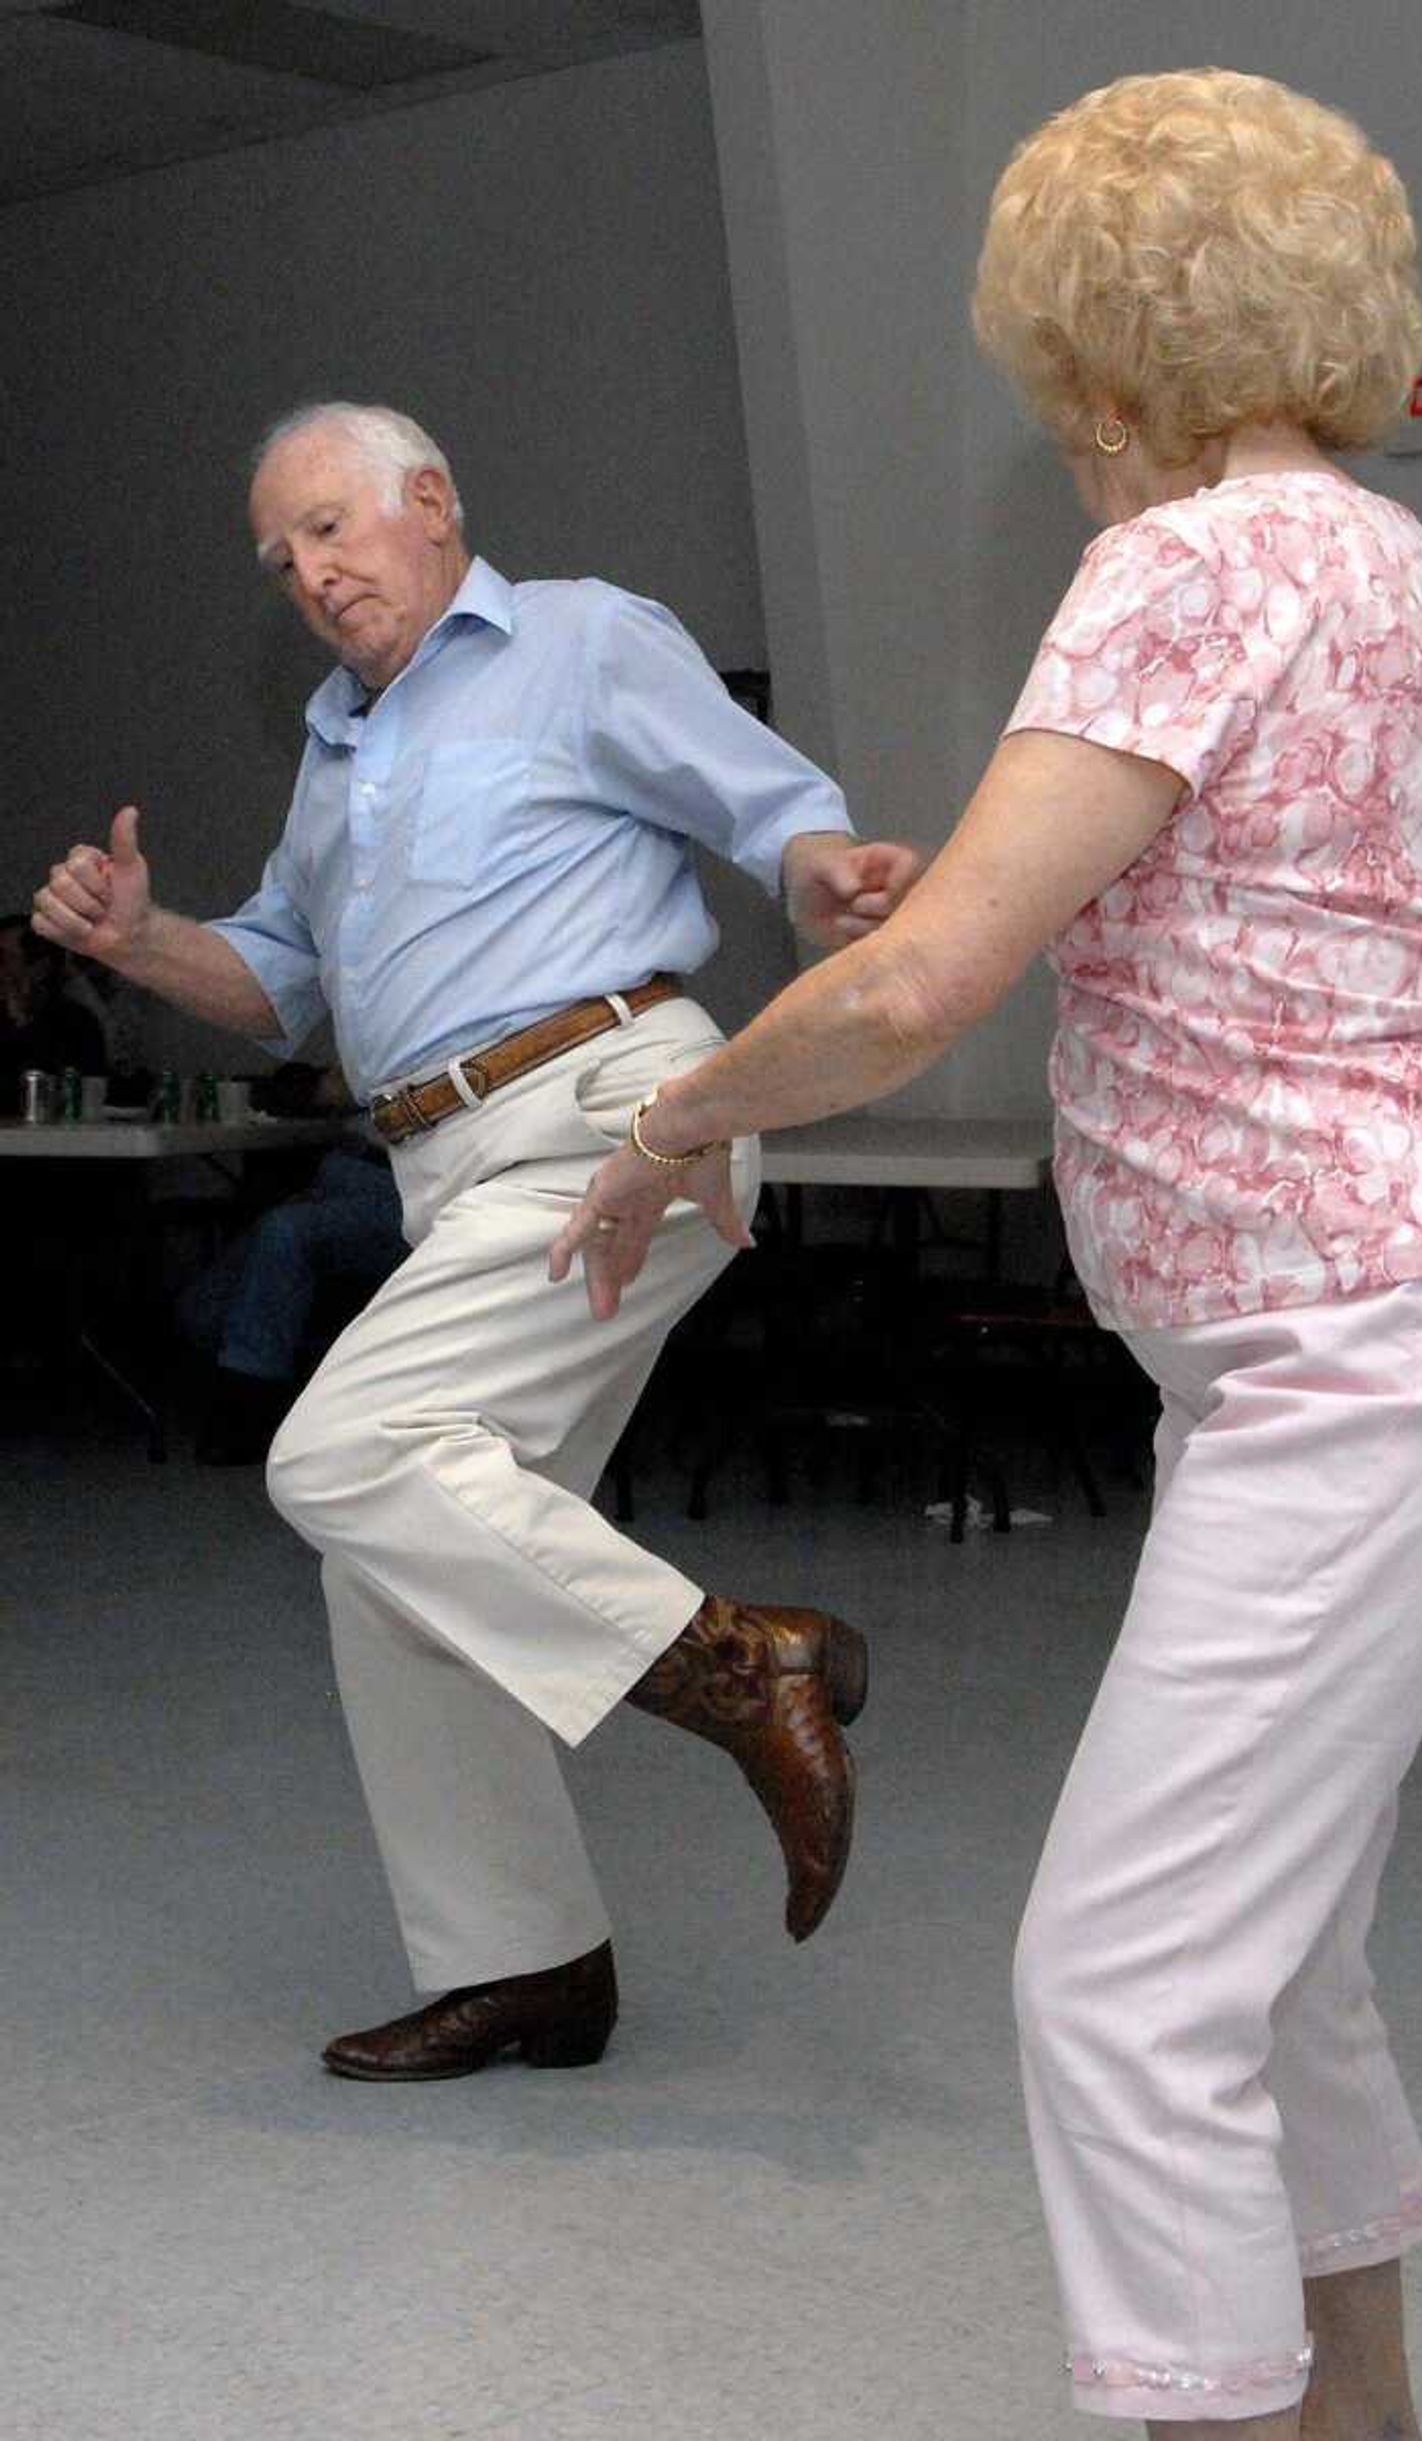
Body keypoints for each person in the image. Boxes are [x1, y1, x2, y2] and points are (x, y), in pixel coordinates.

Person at [546, 70, 1422, 2439]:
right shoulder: (1413, 588)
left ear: (1095, 349)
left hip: (1363, 1351)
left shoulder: (1175, 568)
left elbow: (913, 986)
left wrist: (665, 1119)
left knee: (1125, 1980)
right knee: (1272, 1970)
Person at [33, 401, 920, 2081]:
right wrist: (148, 942)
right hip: (447, 1158)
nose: (307, 571)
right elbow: (277, 979)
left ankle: (751, 1665)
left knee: (344, 1453)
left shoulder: (579, 637)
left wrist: (828, 876)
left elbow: (770, 809)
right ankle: (530, 1965)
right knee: (403, 1571)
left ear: (429, 501)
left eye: (329, 527)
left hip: (614, 1115)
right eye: (280, 553)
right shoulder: (333, 753)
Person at [174, 1066, 408, 1464]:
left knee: (288, 1233)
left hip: (401, 1184)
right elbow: (331, 1089)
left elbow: (346, 1085)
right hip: (343, 1167)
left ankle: (246, 1414)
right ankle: (270, 1381)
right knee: (202, 1309)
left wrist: (338, 1083)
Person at [1, 911, 106, 1105]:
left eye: (5, 958)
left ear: (39, 968)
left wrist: (21, 1022)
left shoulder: (75, 1022)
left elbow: (78, 1095)